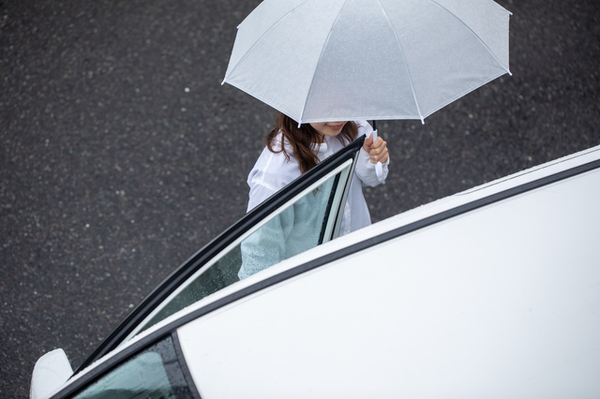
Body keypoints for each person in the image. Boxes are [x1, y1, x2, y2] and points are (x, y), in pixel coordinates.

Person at [238, 113, 389, 279]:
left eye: (342, 103)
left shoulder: (355, 127)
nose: (338, 118)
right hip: (313, 278)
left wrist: (374, 160)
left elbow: (374, 179)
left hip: (360, 256)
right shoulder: (275, 176)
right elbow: (259, 260)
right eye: (326, 108)